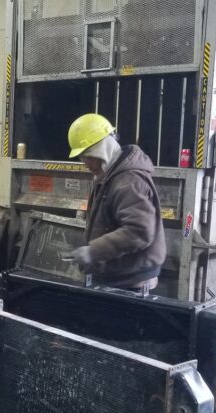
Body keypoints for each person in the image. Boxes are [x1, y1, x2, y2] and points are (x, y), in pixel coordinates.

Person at [66, 114, 166, 293]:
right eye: (82, 158)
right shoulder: (110, 175)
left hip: (131, 282)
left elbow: (139, 231)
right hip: (119, 277)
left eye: (88, 156)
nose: (85, 163)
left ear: (102, 149)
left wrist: (92, 251)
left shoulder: (129, 181)